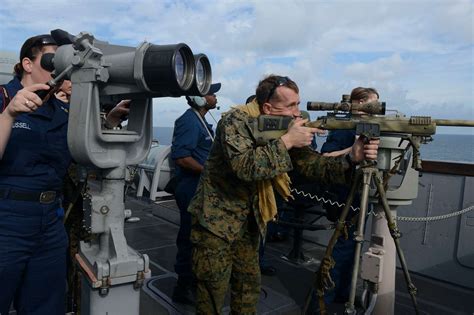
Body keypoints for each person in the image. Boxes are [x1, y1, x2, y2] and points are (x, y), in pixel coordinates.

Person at [188, 74, 379, 314]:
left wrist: (352, 157)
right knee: (211, 296)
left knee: (248, 290)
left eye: (298, 104)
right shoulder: (235, 120)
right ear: (268, 106)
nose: (296, 112)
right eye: (290, 106)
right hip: (215, 223)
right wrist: (287, 141)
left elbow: (312, 165)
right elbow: (244, 166)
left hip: (249, 223)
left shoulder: (283, 127)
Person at [0, 34, 127, 314]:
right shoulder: (4, 98)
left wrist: (110, 121)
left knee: (46, 305)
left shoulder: (63, 110)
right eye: (50, 59)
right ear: (27, 64)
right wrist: (9, 115)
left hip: (50, 220)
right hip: (7, 219)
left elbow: (85, 151)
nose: (59, 66)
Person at [320, 87, 379, 306]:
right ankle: (324, 301)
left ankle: (343, 293)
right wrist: (353, 150)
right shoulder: (343, 127)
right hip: (344, 195)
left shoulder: (365, 127)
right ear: (358, 103)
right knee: (343, 249)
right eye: (371, 104)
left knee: (354, 248)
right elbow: (326, 155)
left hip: (361, 193)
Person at [170, 83, 221, 305]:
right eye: (211, 93)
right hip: (190, 187)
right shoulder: (189, 121)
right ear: (198, 98)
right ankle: (183, 287)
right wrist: (210, 172)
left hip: (200, 187)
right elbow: (182, 157)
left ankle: (195, 280)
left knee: (200, 235)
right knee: (190, 236)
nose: (215, 97)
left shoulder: (201, 122)